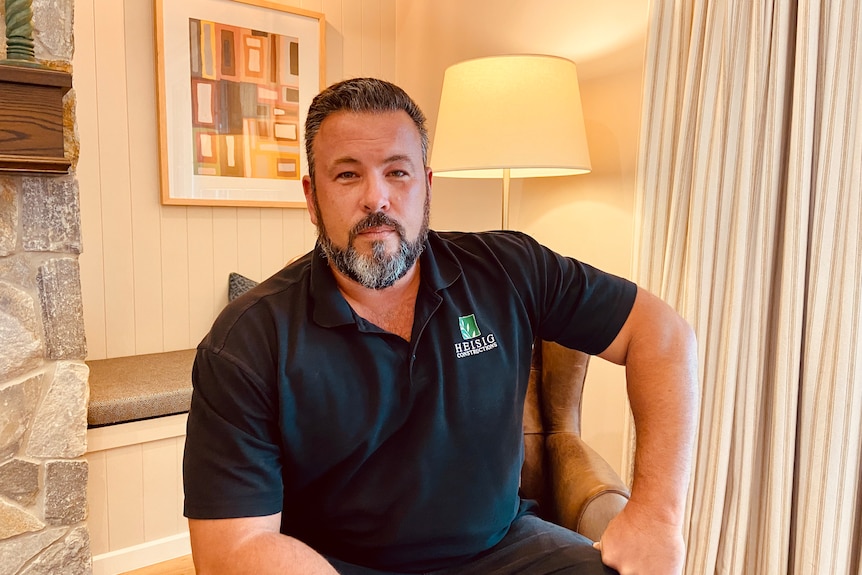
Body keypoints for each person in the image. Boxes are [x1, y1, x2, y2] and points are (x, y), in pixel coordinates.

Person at [183, 77, 698, 575]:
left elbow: (661, 333)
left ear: (427, 186)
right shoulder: (247, 340)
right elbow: (233, 547)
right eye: (347, 175)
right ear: (312, 198)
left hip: (506, 548)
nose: (376, 198)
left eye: (397, 172)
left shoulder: (510, 267)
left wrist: (658, 515)